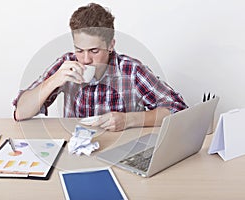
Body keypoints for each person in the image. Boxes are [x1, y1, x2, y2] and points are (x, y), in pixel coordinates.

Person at [13, 3, 187, 131]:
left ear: (110, 45)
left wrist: (129, 120)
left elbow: (178, 110)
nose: (86, 59)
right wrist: (53, 81)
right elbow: (20, 112)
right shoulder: (66, 64)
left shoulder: (131, 70)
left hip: (121, 151)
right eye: (79, 50)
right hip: (76, 151)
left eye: (94, 50)